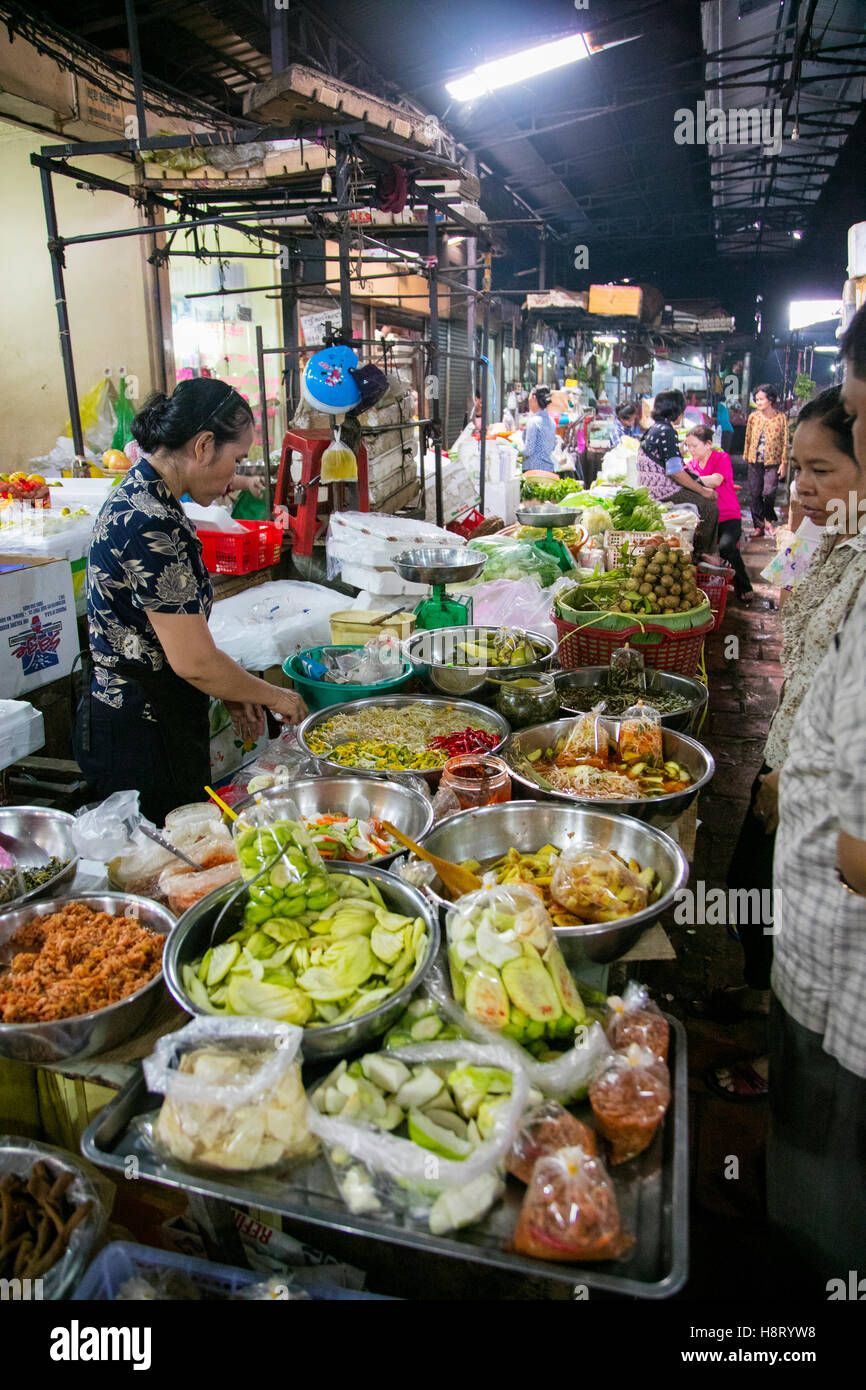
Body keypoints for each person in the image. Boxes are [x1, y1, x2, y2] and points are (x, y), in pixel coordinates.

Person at [707, 383, 866, 1102]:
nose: (802, 483)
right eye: (797, 467)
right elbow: (782, 596)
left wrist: (795, 774)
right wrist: (805, 521)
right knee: (747, 887)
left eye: (823, 470)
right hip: (784, 740)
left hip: (818, 769)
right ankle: (763, 996)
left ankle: (784, 1047)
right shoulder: (824, 536)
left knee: (784, 899)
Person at [73, 378, 307, 825]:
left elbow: (173, 636)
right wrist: (276, 696)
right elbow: (194, 661)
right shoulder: (153, 524)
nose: (232, 477)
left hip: (134, 713)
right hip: (144, 730)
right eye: (236, 459)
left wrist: (232, 687)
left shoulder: (142, 491)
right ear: (203, 445)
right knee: (167, 863)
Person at [636, 388, 719, 558]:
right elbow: (675, 472)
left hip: (649, 489)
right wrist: (703, 491)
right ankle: (701, 556)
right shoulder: (667, 431)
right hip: (663, 492)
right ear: (676, 411)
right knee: (709, 506)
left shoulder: (654, 429)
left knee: (700, 491)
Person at [683, 424, 753, 602]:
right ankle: (702, 589)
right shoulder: (691, 464)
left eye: (694, 446)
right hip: (706, 519)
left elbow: (716, 480)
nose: (690, 450)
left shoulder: (721, 458)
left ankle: (744, 585)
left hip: (728, 516)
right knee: (696, 551)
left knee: (727, 547)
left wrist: (692, 480)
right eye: (688, 446)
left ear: (708, 444)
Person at [744, 384, 788, 539]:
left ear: (770, 400)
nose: (758, 402)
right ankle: (759, 526)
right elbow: (748, 438)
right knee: (755, 494)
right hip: (754, 460)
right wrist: (746, 456)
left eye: (761, 399)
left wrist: (783, 463)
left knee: (768, 492)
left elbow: (785, 442)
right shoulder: (753, 417)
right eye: (756, 399)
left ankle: (768, 519)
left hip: (773, 461)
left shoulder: (780, 418)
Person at [521, 385, 557, 472]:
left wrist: (515, 449)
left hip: (533, 471)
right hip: (549, 470)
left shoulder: (533, 422)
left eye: (529, 396)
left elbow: (528, 450)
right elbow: (552, 447)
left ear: (534, 398)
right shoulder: (552, 422)